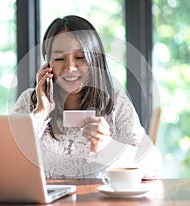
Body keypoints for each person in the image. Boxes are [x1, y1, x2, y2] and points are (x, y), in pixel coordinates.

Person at [12, 15, 162, 179]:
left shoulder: (114, 102)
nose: (70, 67)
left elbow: (154, 166)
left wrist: (106, 147)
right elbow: (5, 160)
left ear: (94, 60)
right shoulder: (29, 101)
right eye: (59, 58)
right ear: (47, 64)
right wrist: (41, 112)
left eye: (80, 57)